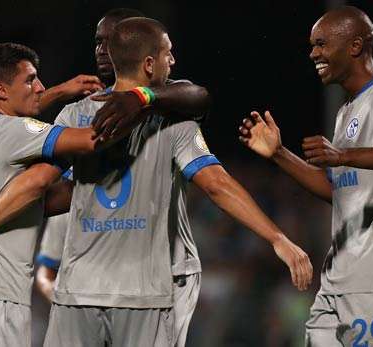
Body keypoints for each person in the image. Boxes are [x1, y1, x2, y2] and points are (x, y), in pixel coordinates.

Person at [40, 17, 312, 346]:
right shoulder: (174, 122)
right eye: (168, 53)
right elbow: (216, 184)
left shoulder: (71, 117)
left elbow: (43, 190)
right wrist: (277, 238)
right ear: (149, 64)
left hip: (76, 292)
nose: (173, 60)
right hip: (142, 296)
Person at [239, 6, 373, 346]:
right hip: (338, 278)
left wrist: (343, 155)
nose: (313, 53)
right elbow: (337, 189)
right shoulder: (346, 110)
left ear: (355, 46)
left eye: (322, 44)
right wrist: (279, 154)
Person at [0, 42, 125, 347]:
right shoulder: (16, 132)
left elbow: (40, 197)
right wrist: (142, 102)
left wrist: (61, 92)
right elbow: (91, 139)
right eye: (30, 80)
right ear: (0, 90)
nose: (40, 87)